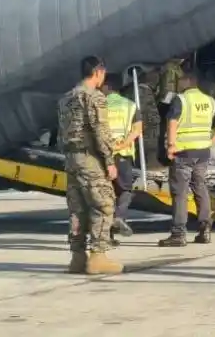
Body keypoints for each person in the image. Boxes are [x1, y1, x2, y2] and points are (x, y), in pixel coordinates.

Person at [58, 56, 123, 276]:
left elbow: (61, 133)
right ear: (98, 72)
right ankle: (98, 257)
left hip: (71, 159)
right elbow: (100, 131)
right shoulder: (94, 97)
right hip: (90, 159)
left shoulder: (66, 98)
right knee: (103, 204)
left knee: (77, 209)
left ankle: (77, 258)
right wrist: (109, 161)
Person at [159, 71, 215, 247]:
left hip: (183, 152)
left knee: (180, 192)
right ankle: (205, 229)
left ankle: (178, 233)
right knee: (200, 188)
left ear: (188, 81)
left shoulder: (181, 99)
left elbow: (172, 122)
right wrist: (214, 139)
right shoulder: (209, 101)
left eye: (181, 80)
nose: (178, 84)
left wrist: (171, 145)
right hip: (203, 152)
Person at [101, 74, 141, 241]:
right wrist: (124, 143)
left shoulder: (100, 104)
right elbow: (137, 129)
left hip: (103, 155)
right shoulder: (130, 105)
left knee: (106, 193)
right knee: (125, 190)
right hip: (123, 154)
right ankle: (119, 216)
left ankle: (107, 235)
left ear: (107, 87)